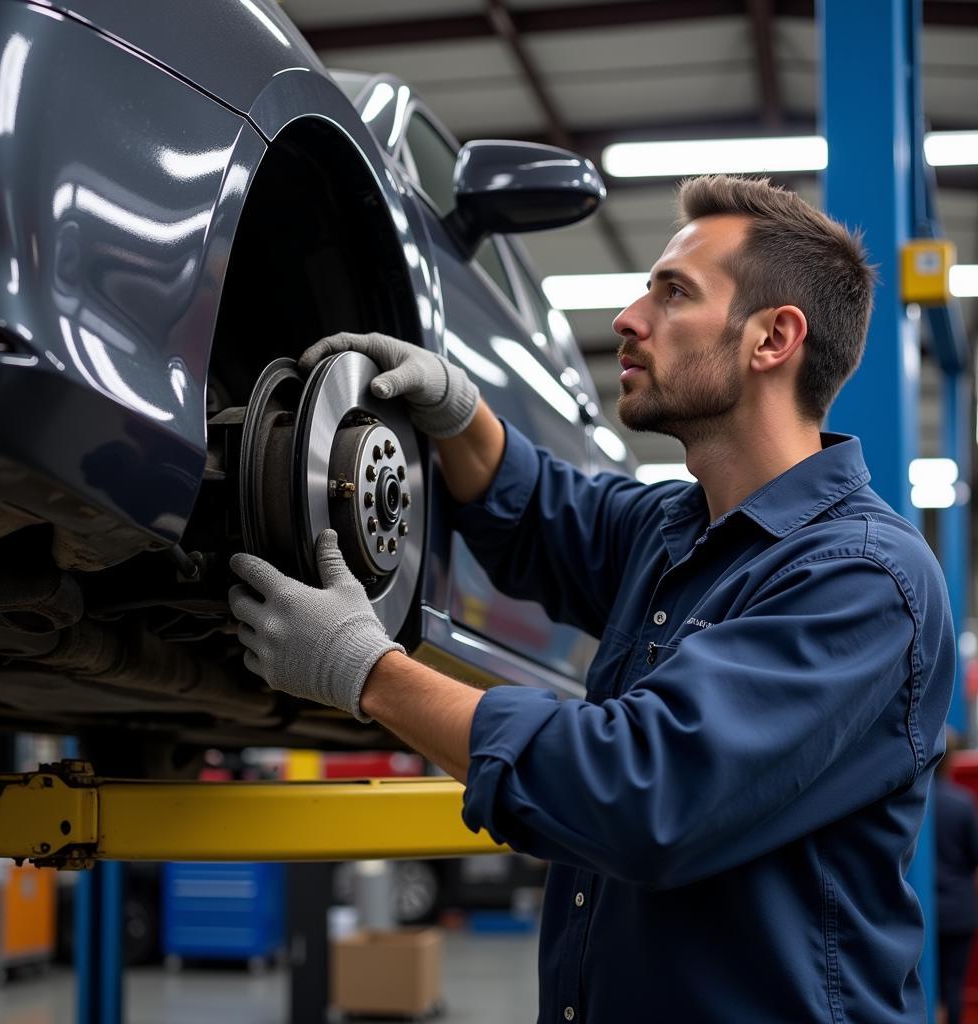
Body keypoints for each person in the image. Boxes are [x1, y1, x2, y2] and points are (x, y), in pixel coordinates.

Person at [228, 175, 954, 1023]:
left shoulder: (865, 581)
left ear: (772, 339)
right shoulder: (679, 529)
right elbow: (547, 516)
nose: (628, 320)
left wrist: (367, 670)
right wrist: (460, 413)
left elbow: (639, 792)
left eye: (673, 292)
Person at [936, 730, 978, 1024]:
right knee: (953, 984)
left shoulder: (911, 806)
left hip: (921, 910)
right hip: (959, 910)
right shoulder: (963, 803)